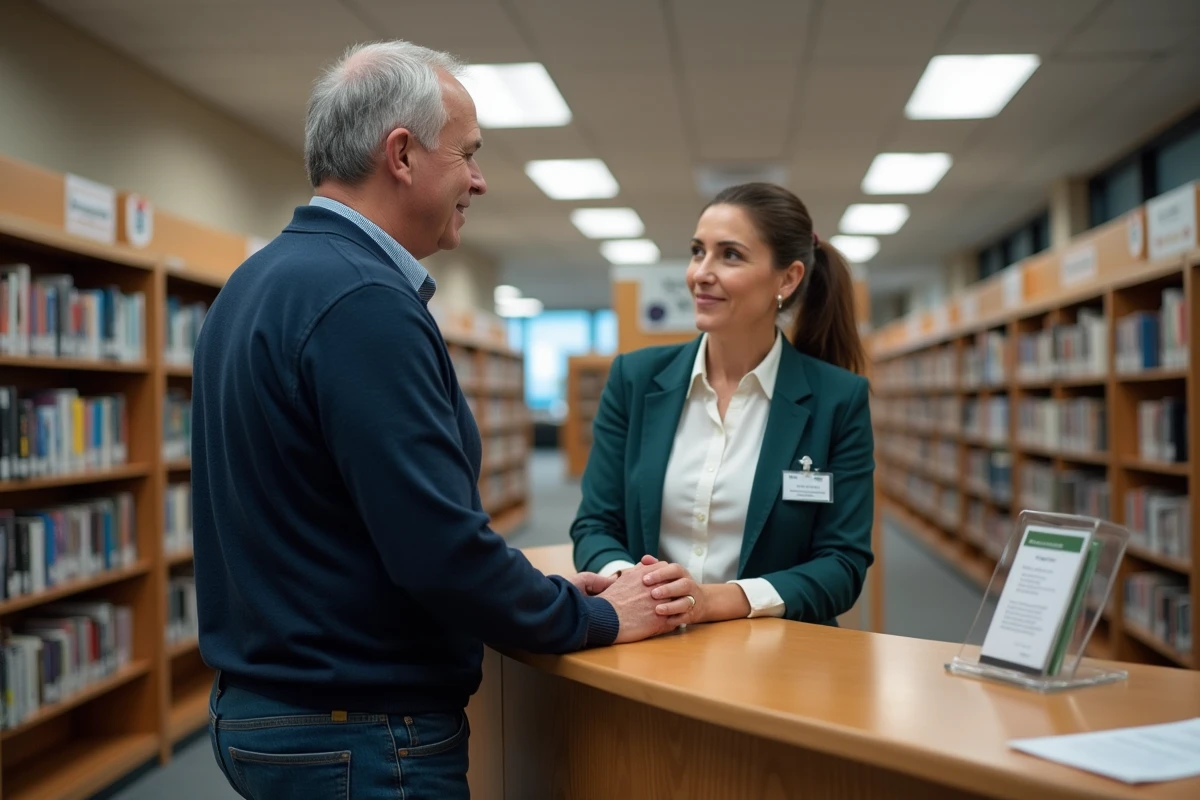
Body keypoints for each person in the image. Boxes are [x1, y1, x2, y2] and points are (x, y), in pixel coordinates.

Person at [192, 41, 675, 800]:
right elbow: (436, 549)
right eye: (470, 155)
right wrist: (598, 620)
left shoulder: (259, 282)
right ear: (403, 154)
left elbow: (348, 520)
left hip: (271, 708)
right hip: (362, 731)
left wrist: (549, 596)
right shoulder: (362, 302)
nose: (479, 181)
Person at [571, 182, 874, 629]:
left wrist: (715, 600)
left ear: (787, 278)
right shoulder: (633, 380)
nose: (700, 273)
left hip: (777, 656)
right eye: (698, 251)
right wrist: (632, 585)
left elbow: (842, 565)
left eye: (730, 255)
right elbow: (595, 523)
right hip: (649, 645)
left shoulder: (838, 399)